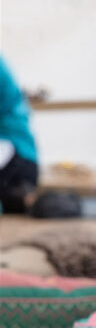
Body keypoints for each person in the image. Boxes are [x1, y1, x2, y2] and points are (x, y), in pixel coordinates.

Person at [0, 55, 80, 218]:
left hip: (17, 157)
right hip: (17, 167)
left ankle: (30, 199)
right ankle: (27, 199)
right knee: (14, 198)